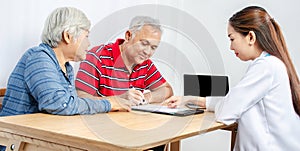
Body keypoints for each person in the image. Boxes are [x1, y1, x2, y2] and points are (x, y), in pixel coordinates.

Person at [164, 6, 300, 151]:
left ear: (251, 37)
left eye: (232, 38)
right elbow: (233, 102)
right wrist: (190, 99)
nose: (230, 46)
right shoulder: (272, 64)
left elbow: (226, 112)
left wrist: (197, 100)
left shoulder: (265, 67)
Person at [0, 7, 132, 117]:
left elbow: (72, 103)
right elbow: (61, 105)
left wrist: (112, 101)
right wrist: (109, 103)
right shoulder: (38, 58)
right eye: (86, 36)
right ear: (68, 36)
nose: (89, 43)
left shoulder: (65, 67)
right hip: (16, 142)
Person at [75, 16, 173, 106]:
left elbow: (167, 90)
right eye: (144, 43)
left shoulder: (145, 64)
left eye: (153, 47)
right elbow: (80, 98)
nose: (147, 52)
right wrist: (119, 100)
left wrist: (146, 98)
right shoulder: (96, 57)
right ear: (128, 36)